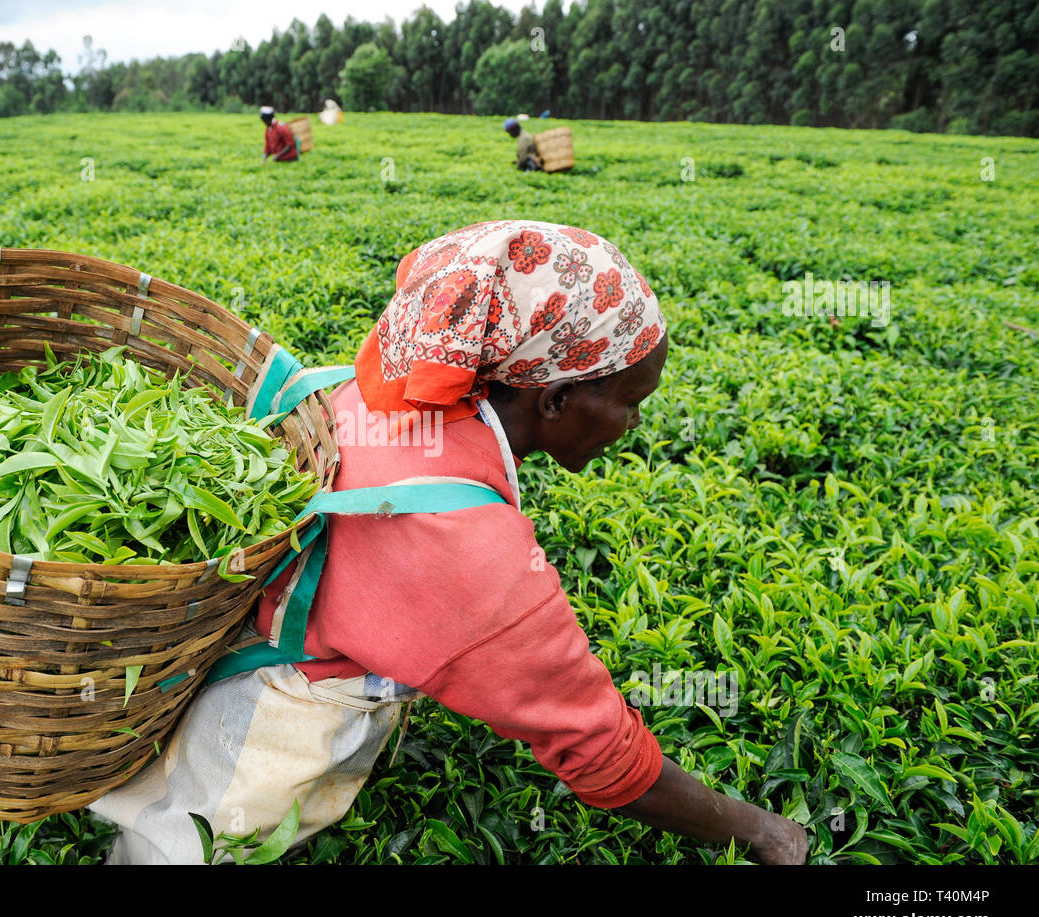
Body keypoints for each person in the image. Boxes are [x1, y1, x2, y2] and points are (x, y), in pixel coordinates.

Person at [89, 220, 809, 866]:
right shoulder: (469, 551)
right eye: (629, 402)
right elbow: (602, 753)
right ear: (554, 399)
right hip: (256, 732)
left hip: (227, 653)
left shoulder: (388, 392)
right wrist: (758, 831)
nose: (633, 425)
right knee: (181, 852)